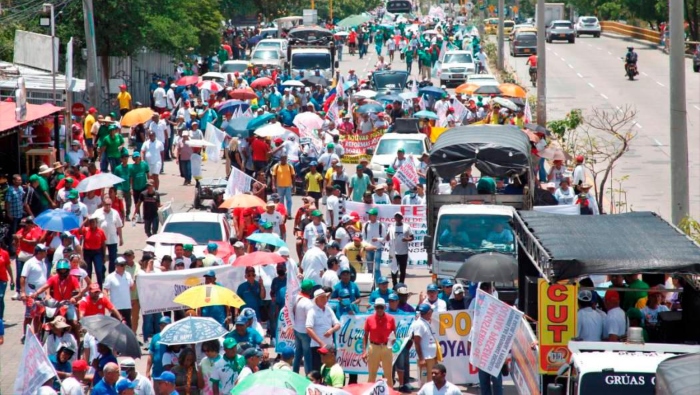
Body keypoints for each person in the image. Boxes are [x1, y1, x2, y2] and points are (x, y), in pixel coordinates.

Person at [362, 297, 396, 388]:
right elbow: (365, 336)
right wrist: (364, 351)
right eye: (377, 307)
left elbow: (394, 334)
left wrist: (391, 342)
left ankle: (389, 393)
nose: (379, 309)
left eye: (381, 307)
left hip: (386, 347)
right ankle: (370, 392)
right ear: (374, 308)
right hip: (374, 347)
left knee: (388, 374)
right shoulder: (369, 319)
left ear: (385, 307)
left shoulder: (391, 319)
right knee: (372, 374)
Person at [306, 288, 341, 371]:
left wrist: (331, 330)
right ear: (316, 299)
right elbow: (308, 329)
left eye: (325, 297)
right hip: (317, 346)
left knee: (330, 369)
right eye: (322, 297)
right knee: (317, 369)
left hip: (329, 345)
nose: (325, 299)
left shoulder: (329, 309)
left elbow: (338, 324)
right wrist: (321, 343)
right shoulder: (312, 312)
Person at [103, 257, 135, 328]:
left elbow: (132, 288)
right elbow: (105, 290)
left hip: (127, 306)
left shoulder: (128, 275)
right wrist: (108, 304)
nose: (123, 267)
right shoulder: (110, 277)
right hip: (116, 307)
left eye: (124, 265)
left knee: (128, 327)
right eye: (121, 265)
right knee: (115, 328)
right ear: (116, 265)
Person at [411, 303, 439, 385]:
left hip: (430, 356)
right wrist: (421, 359)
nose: (432, 313)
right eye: (431, 311)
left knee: (431, 380)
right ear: (428, 313)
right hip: (425, 358)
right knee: (425, 382)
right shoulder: (419, 324)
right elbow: (416, 342)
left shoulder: (425, 322)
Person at [293, 279, 317, 374]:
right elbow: (310, 319)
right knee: (307, 356)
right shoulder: (308, 303)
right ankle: (308, 376)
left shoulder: (296, 297)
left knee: (298, 353)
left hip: (296, 329)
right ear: (310, 290)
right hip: (304, 332)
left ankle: (295, 372)